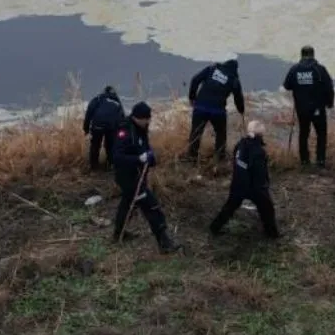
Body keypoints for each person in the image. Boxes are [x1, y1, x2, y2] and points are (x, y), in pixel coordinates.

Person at [111, 102, 181, 254]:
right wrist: (139, 159)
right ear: (137, 118)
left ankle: (118, 233)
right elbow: (117, 157)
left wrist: (150, 158)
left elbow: (145, 147)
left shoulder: (141, 128)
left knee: (127, 203)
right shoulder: (125, 131)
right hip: (127, 176)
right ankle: (164, 241)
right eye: (146, 119)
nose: (149, 121)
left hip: (138, 174)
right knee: (151, 205)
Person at [209, 120, 280, 239]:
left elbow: (236, 162)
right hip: (253, 186)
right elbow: (260, 173)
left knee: (230, 207)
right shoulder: (259, 152)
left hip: (238, 183)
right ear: (261, 135)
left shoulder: (240, 144)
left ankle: (214, 227)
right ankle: (272, 234)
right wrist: (264, 186)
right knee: (267, 209)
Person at [282, 45, 335, 168]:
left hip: (302, 109)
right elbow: (329, 87)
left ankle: (304, 161)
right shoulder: (320, 69)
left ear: (301, 55)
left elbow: (287, 86)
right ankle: (320, 161)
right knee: (321, 134)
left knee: (303, 133)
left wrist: (299, 86)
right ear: (313, 55)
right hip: (318, 109)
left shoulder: (294, 69)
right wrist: (330, 103)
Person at [186, 59, 245, 162]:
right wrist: (241, 111)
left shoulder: (211, 69)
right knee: (221, 134)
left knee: (196, 133)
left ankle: (192, 157)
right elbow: (238, 98)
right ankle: (220, 158)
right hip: (218, 112)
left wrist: (192, 98)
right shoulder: (234, 79)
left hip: (201, 107)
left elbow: (195, 80)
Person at [82, 85, 125, 172]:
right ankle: (111, 164)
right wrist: (121, 133)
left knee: (95, 145)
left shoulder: (98, 99)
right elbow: (122, 119)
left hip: (97, 124)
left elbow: (89, 112)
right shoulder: (117, 102)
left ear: (104, 91)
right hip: (111, 127)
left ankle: (94, 167)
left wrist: (86, 128)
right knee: (110, 146)